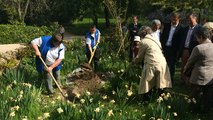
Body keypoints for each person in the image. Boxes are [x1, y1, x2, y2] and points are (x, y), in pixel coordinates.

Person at [133, 26, 172, 100]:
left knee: (147, 83)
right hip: (162, 63)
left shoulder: (143, 42)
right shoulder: (156, 40)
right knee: (161, 84)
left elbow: (139, 56)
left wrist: (134, 61)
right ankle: (161, 100)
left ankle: (146, 101)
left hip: (152, 64)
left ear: (142, 34)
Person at [184, 27, 213, 113]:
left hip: (199, 77)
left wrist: (185, 71)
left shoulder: (198, 48)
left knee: (194, 96)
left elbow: (190, 62)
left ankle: (193, 112)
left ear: (200, 37)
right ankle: (206, 113)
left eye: (196, 37)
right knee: (208, 97)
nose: (196, 40)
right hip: (211, 77)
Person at [160, 12, 183, 82]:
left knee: (172, 65)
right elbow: (163, 36)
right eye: (172, 19)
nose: (173, 21)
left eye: (175, 20)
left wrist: (179, 52)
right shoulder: (166, 26)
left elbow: (181, 40)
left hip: (174, 49)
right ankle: (162, 78)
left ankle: (170, 80)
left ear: (178, 19)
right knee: (163, 64)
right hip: (165, 47)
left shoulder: (181, 28)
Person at [179, 13, 201, 83]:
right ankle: (183, 80)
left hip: (194, 50)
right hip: (185, 50)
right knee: (184, 66)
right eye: (188, 20)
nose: (189, 22)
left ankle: (190, 81)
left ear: (195, 19)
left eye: (190, 20)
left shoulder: (199, 28)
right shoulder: (185, 29)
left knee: (192, 66)